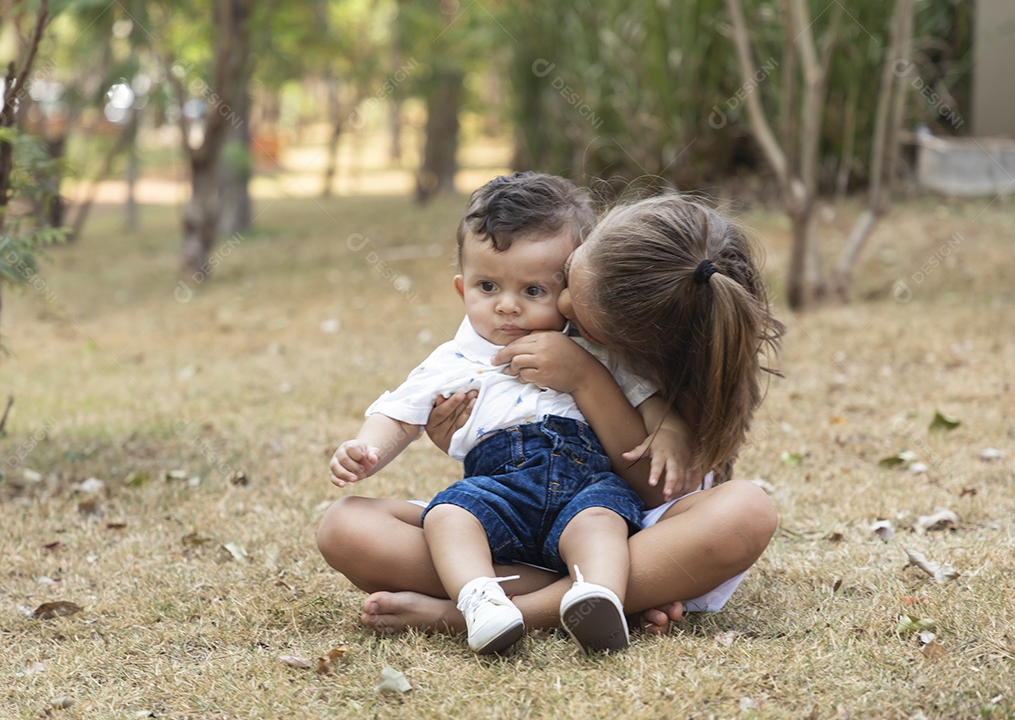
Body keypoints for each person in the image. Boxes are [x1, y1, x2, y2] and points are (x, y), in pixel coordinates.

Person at [318, 183, 784, 644]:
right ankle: (607, 595)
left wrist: (587, 377)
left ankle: (485, 614)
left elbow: (652, 480)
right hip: (503, 516)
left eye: (548, 292)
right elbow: (399, 413)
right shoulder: (458, 356)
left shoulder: (617, 357)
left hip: (612, 522)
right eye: (488, 287)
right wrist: (388, 446)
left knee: (746, 510)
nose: (512, 306)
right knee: (345, 526)